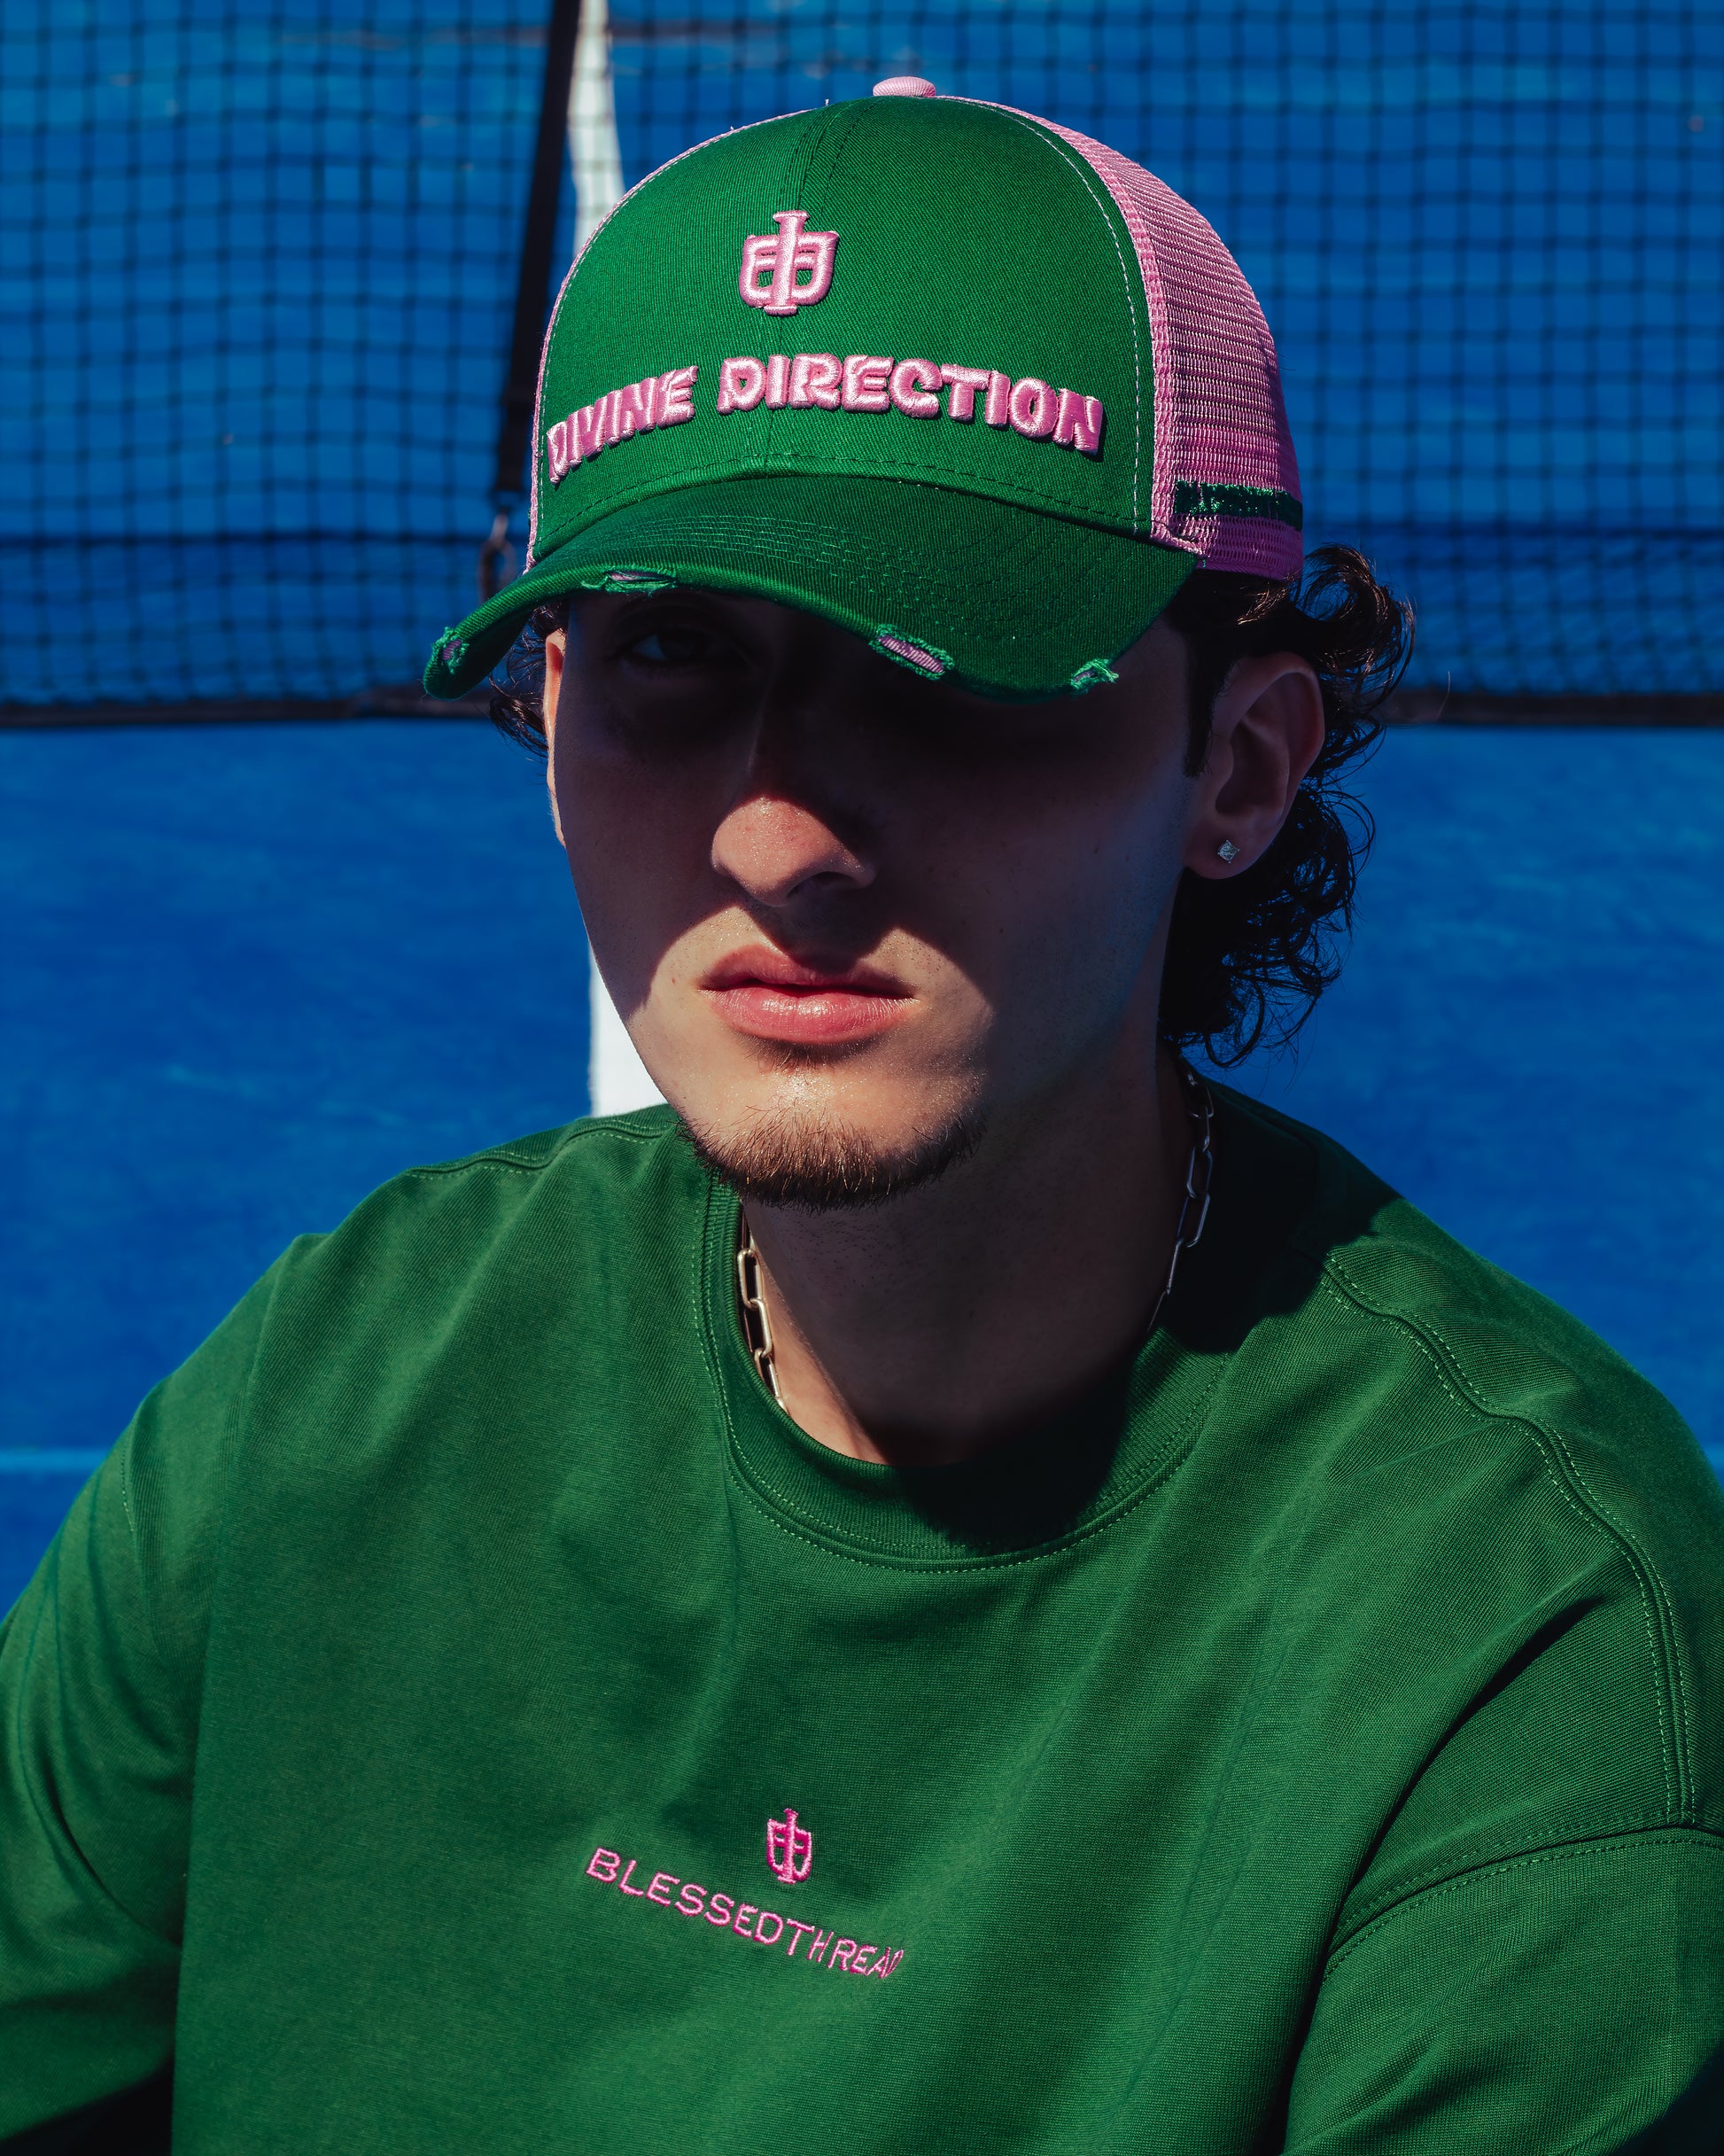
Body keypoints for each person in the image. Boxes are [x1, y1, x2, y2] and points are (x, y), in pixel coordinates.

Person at [4, 80, 1722, 2156]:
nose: (779, 835)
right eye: (669, 652)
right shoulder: (332, 1386)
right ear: (546, 720)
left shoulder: (1521, 1632)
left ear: (1239, 768)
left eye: (952, 670)